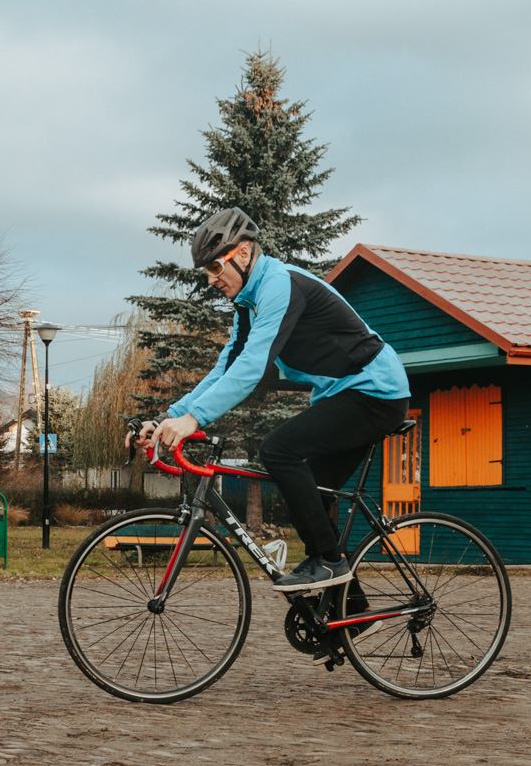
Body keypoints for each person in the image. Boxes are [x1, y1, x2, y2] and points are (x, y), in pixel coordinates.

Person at [135, 207, 410, 591]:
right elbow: (225, 368)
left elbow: (251, 366)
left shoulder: (279, 285)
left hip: (375, 393)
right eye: (206, 272)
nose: (212, 280)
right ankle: (351, 608)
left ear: (243, 254)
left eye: (216, 267)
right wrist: (170, 415)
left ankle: (329, 564)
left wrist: (194, 419)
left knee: (277, 449)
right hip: (343, 395)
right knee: (310, 492)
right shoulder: (248, 304)